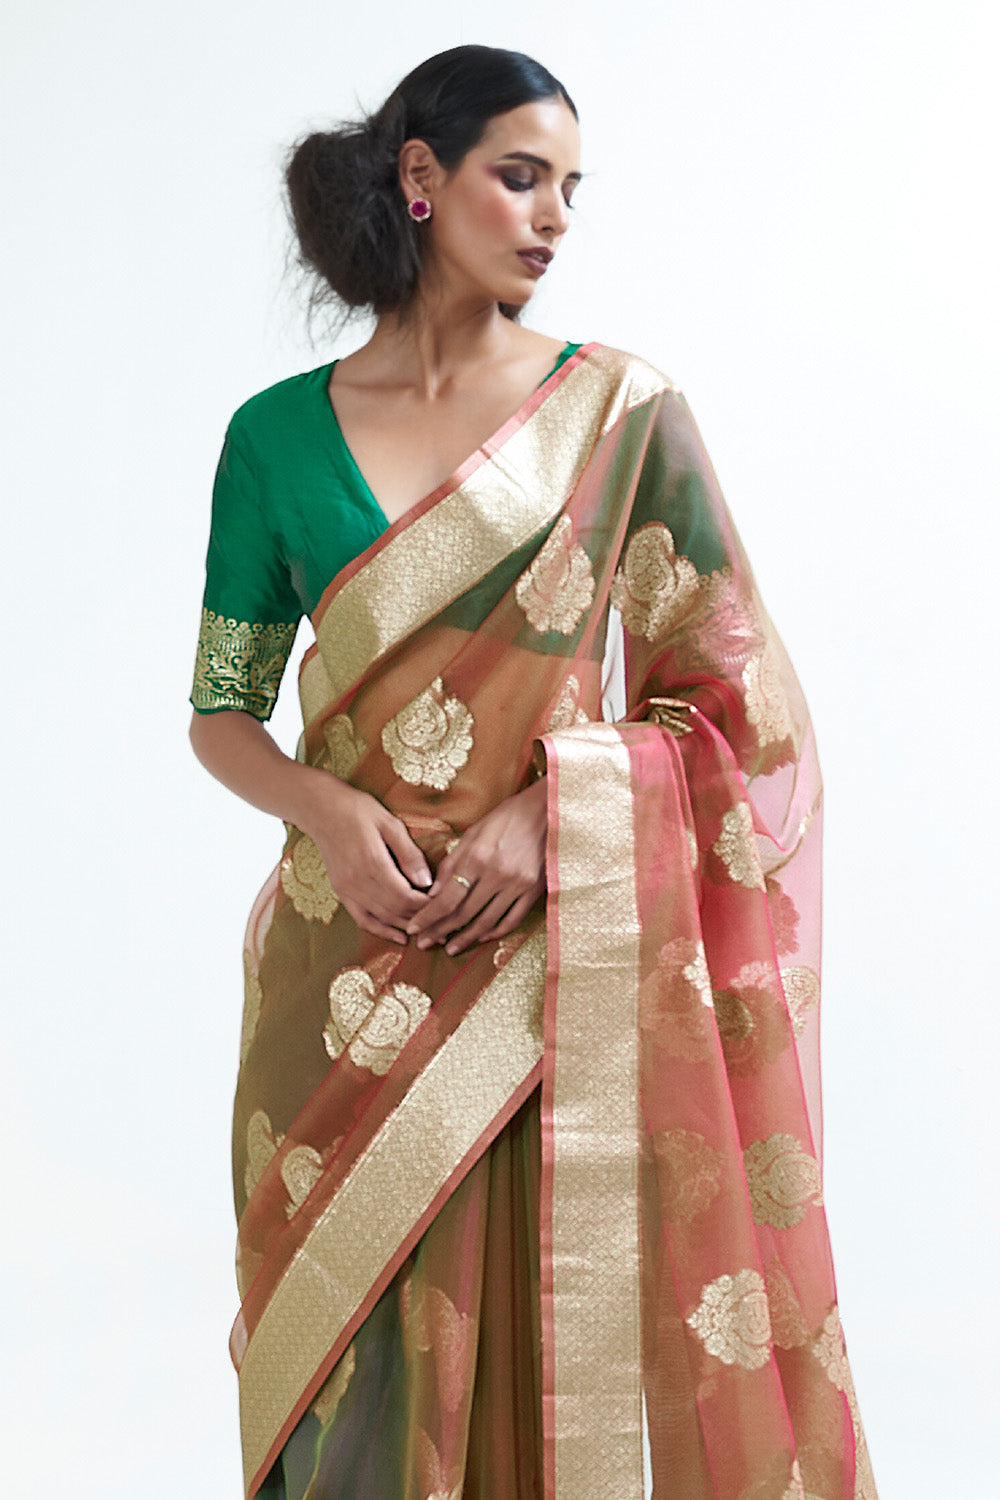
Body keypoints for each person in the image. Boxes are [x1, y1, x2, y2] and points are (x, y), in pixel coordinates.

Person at [189, 44, 877, 1500]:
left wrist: (551, 815)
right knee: (339, 1379)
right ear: (421, 178)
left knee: (544, 1336)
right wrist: (328, 810)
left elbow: (738, 701)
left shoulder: (620, 414)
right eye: (521, 176)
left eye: (570, 186)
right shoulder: (271, 438)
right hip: (342, 971)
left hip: (547, 969)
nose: (556, 215)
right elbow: (222, 713)